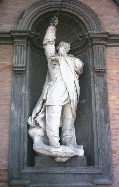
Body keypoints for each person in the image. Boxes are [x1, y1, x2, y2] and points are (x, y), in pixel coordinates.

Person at [28, 16, 84, 149]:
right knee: (53, 114)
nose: (63, 47)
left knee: (69, 118)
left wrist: (70, 59)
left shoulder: (73, 60)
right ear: (58, 47)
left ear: (69, 49)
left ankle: (68, 141)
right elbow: (48, 43)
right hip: (55, 90)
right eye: (61, 45)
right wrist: (52, 27)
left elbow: (81, 68)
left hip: (71, 91)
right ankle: (54, 142)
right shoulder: (53, 58)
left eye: (66, 46)